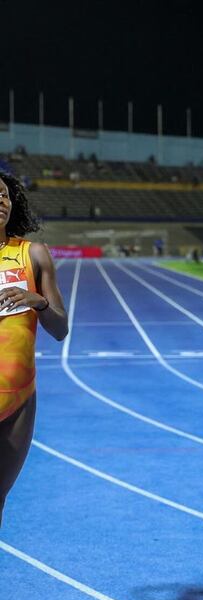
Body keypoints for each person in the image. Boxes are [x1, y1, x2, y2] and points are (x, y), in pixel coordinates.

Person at [0, 171, 68, 525]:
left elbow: (60, 329)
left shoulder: (33, 254)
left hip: (17, 399)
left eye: (5, 195)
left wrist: (37, 301)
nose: (1, 201)